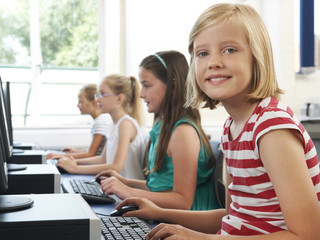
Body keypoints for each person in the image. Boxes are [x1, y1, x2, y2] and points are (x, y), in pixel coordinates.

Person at [116, 3, 320, 240]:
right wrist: (161, 213)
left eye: (230, 50)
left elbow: (309, 235)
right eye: (202, 53)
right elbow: (233, 217)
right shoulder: (232, 128)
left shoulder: (271, 128)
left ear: (257, 57)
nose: (213, 62)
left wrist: (202, 239)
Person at [96, 50, 219, 211]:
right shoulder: (163, 127)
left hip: (185, 220)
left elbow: (182, 201)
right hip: (167, 213)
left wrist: (129, 192)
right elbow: (161, 187)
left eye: (147, 85)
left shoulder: (183, 132)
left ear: (172, 85)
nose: (141, 94)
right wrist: (125, 182)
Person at [56, 74, 147, 180]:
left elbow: (116, 167)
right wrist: (72, 161)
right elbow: (102, 160)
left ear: (119, 98)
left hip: (127, 190)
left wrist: (75, 169)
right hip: (114, 185)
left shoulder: (125, 125)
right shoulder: (114, 124)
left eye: (102, 94)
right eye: (97, 95)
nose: (97, 100)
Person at [46, 84, 112, 160]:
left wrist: (57, 156)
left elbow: (91, 154)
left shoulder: (100, 122)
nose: (78, 105)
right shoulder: (101, 119)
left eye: (81, 102)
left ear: (94, 103)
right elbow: (95, 150)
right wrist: (76, 152)